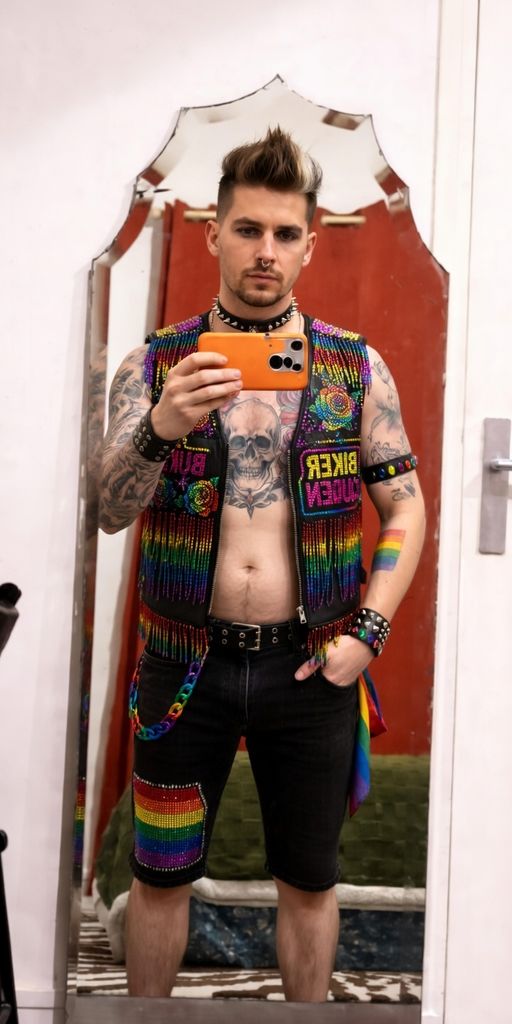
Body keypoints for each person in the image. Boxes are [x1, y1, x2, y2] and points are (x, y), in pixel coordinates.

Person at [98, 127, 426, 1002]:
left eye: (285, 234)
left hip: (311, 666)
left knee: (310, 881)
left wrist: (368, 632)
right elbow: (107, 510)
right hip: (183, 664)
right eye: (248, 230)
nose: (266, 251)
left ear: (311, 244)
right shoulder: (155, 365)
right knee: (161, 875)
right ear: (214, 233)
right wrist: (158, 428)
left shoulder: (354, 368)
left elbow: (405, 505)